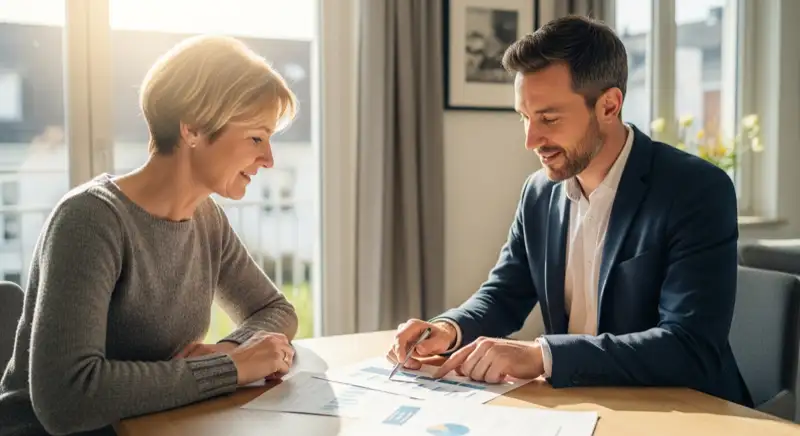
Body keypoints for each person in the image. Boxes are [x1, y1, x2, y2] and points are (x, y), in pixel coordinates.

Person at [388, 15, 752, 407]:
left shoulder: (696, 191)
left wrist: (542, 355)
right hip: (585, 405)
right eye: (524, 117)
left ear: (609, 106)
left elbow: (688, 346)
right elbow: (504, 294)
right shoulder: (539, 193)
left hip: (688, 412)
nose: (530, 140)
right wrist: (448, 328)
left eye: (548, 118)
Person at [0, 35, 300, 436]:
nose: (269, 159)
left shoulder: (205, 218)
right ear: (193, 128)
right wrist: (229, 369)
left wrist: (229, 351)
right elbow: (66, 400)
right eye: (256, 138)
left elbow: (276, 311)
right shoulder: (89, 221)